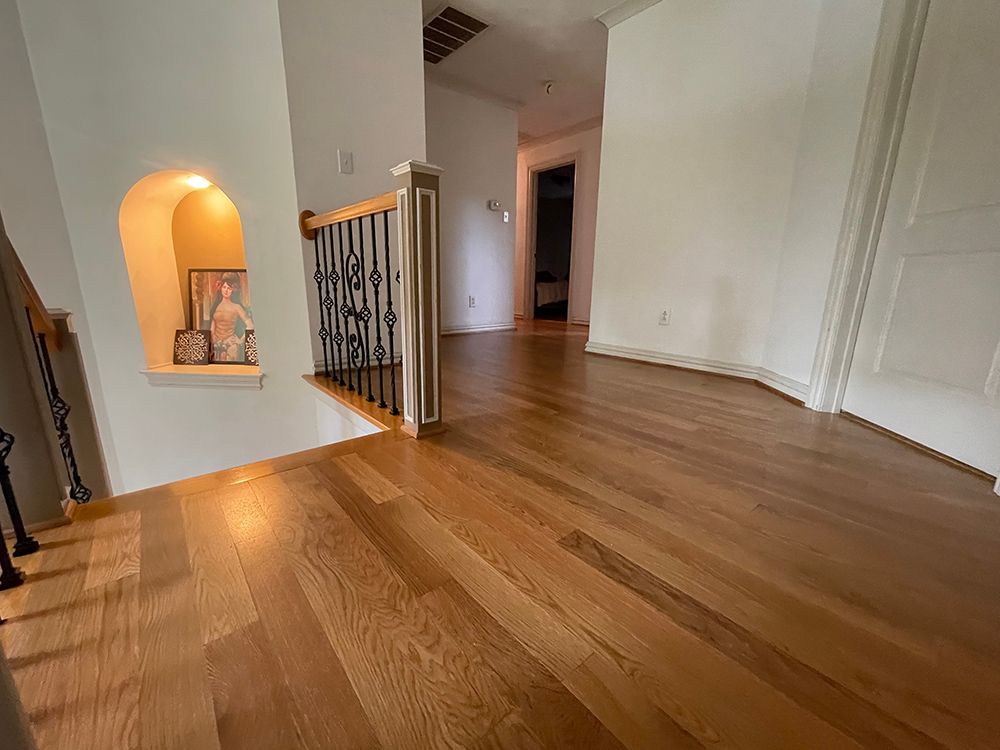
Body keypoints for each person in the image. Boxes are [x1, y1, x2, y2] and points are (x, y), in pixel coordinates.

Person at [209, 273, 254, 362]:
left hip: (231, 345)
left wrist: (240, 341)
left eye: (229, 288)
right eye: (224, 287)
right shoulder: (215, 306)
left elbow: (250, 325)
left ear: (232, 290)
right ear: (221, 288)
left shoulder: (237, 307)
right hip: (216, 345)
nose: (226, 290)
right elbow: (212, 326)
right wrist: (213, 338)